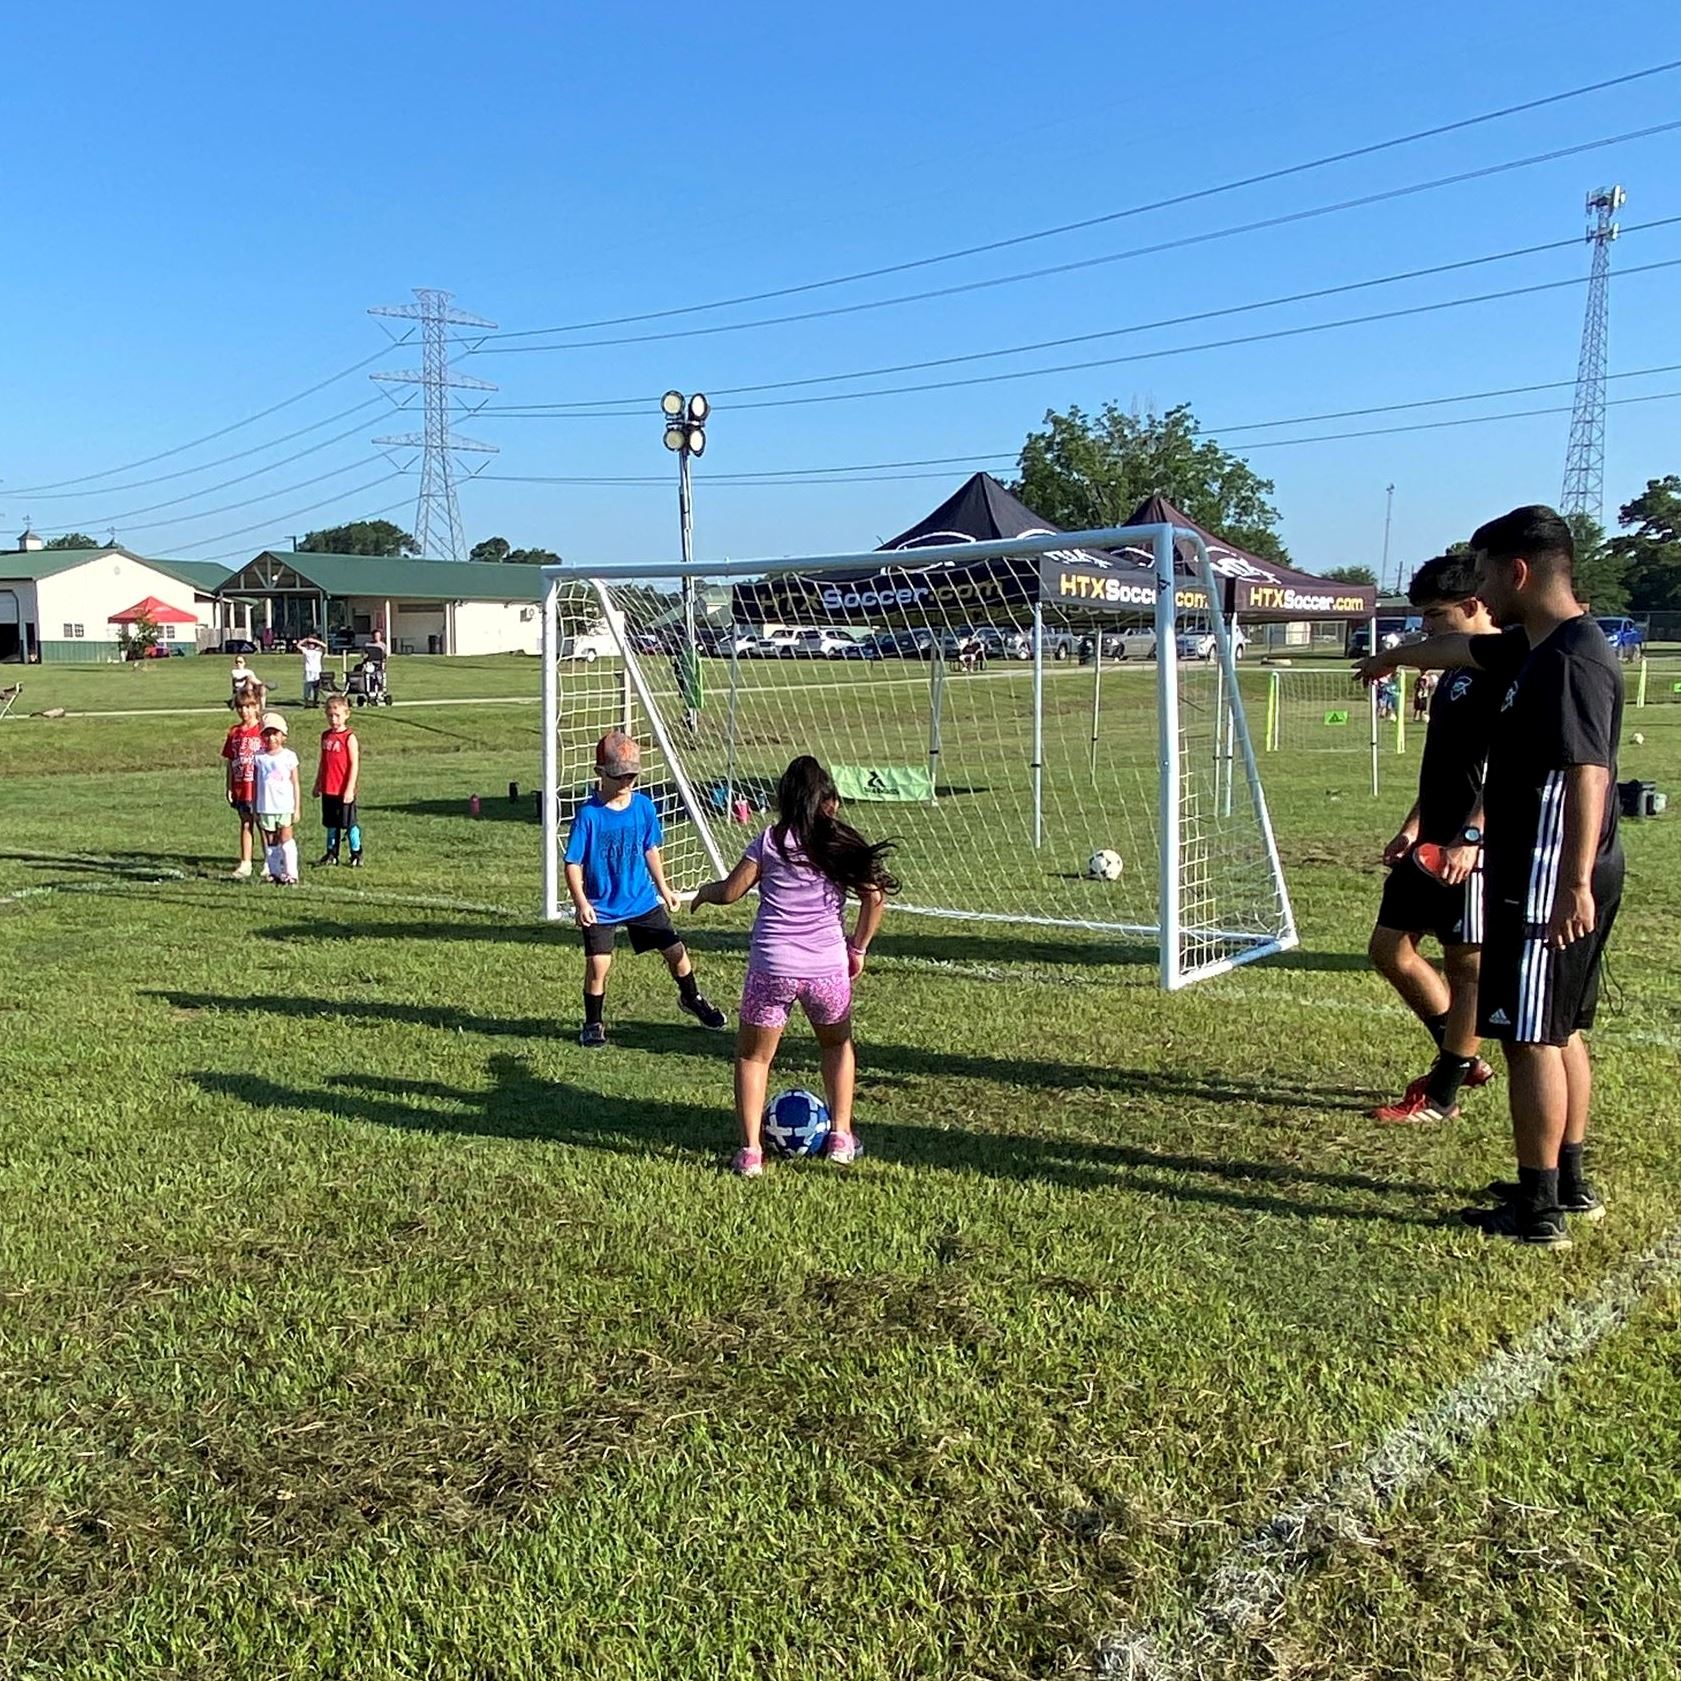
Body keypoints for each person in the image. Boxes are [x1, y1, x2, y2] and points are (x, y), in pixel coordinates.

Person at [1357, 505, 1623, 1247]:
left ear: (1516, 571)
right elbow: (1458, 653)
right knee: (1559, 1027)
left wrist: (1570, 881)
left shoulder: (1569, 657)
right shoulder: (1537, 647)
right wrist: (1396, 658)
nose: (1475, 590)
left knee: (1530, 1035)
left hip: (1547, 868)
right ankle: (1564, 1182)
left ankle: (1537, 1211)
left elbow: (1588, 773)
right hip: (1549, 866)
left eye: (1480, 574)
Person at [690, 755, 898, 1178]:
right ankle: (841, 1137)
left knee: (753, 1058)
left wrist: (704, 893)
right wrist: (857, 947)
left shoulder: (770, 840)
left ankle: (750, 1152)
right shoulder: (838, 842)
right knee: (836, 1046)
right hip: (827, 968)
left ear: (785, 798)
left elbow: (732, 891)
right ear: (831, 802)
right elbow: (875, 896)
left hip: (772, 967)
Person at [1366, 554, 1502, 1124]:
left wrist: (1472, 835)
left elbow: (1508, 772)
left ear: (1473, 606)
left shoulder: (1507, 668)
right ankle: (1461, 1054)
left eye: (1436, 615)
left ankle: (1443, 1091)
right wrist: (1413, 826)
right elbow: (1448, 766)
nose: (1427, 628)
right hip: (1434, 836)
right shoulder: (1455, 672)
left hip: (1471, 844)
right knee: (1389, 949)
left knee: (1465, 963)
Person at [563, 729, 727, 1048]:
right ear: (600, 774)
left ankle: (691, 998)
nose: (626, 783)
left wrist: (663, 888)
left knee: (676, 951)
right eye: (619, 776)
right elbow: (572, 863)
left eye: (631, 777)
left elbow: (650, 849)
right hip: (602, 905)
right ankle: (593, 1022)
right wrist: (581, 901)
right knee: (599, 964)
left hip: (640, 900)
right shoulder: (588, 816)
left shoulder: (644, 808)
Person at [312, 692, 362, 867]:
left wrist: (349, 789)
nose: (334, 719)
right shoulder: (326, 736)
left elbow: (354, 764)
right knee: (331, 824)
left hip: (343, 790)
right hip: (329, 788)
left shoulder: (349, 737)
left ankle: (356, 853)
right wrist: (318, 782)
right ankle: (332, 853)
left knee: (349, 823)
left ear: (346, 714)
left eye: (337, 715)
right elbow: (323, 762)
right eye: (330, 715)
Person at [252, 711, 302, 887]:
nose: (271, 737)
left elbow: (295, 783)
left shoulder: (289, 756)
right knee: (271, 841)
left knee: (286, 839)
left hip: (284, 807)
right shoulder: (259, 757)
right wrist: (255, 806)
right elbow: (256, 783)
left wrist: (296, 808)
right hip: (266, 807)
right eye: (267, 733)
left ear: (283, 736)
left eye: (275, 733)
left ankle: (291, 873)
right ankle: (275, 872)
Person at [221, 690, 265, 879]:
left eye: (248, 707)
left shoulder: (263, 730)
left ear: (256, 707)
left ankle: (269, 861)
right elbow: (231, 761)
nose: (244, 711)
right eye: (240, 707)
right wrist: (229, 786)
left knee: (263, 824)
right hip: (241, 786)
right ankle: (245, 862)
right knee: (246, 823)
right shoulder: (235, 732)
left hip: (259, 787)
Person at [298, 635, 326, 708]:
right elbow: (298, 645)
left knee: (316, 688)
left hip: (317, 671)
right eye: (309, 644)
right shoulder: (306, 650)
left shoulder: (318, 651)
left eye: (312, 644)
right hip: (308, 670)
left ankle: (315, 702)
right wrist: (306, 639)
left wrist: (315, 640)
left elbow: (325, 646)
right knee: (307, 687)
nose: (311, 645)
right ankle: (306, 702)